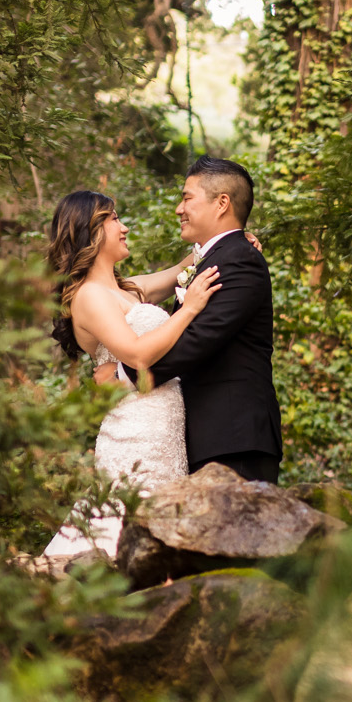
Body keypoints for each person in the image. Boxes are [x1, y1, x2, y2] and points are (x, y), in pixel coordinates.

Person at [38, 189, 223, 560]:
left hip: (164, 432)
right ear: (90, 231)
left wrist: (225, 244)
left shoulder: (127, 290)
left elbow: (180, 271)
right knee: (124, 533)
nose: (124, 227)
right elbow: (138, 354)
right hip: (133, 436)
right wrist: (189, 310)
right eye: (114, 219)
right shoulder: (89, 296)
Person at [148, 156, 284, 483]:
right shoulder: (218, 256)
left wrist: (131, 376)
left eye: (186, 197)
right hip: (214, 438)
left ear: (221, 203)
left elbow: (199, 340)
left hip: (234, 439)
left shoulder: (239, 259)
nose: (179, 209)